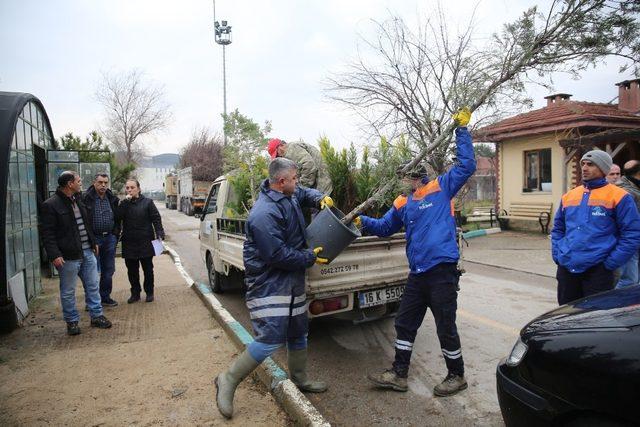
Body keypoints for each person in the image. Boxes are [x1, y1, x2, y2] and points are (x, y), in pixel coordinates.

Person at [355, 108, 476, 397]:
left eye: (405, 176)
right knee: (405, 322)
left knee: (445, 325)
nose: (402, 181)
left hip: (442, 270)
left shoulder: (440, 188)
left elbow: (466, 165)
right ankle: (398, 374)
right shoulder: (402, 202)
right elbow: (385, 228)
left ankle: (456, 376)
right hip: (418, 272)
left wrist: (461, 131)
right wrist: (362, 221)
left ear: (414, 174)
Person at [215, 157, 333, 419]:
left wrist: (318, 198)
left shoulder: (287, 194)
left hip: (290, 278)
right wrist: (309, 257)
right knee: (269, 339)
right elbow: (277, 254)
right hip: (269, 281)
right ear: (281, 182)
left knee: (298, 331)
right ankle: (228, 379)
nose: (298, 183)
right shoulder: (264, 213)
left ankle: (300, 380)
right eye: (295, 179)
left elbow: (302, 193)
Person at [551, 151, 640, 305]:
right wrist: (557, 254)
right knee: (565, 316)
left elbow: (632, 234)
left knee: (593, 318)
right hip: (567, 268)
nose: (584, 168)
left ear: (603, 168)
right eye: (583, 164)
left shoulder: (620, 196)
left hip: (598, 271)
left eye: (590, 164)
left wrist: (610, 264)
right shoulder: (569, 196)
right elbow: (558, 229)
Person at [40, 171, 112, 335]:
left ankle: (97, 316)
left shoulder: (78, 200)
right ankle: (72, 322)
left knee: (93, 285)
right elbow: (47, 234)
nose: (81, 183)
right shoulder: (51, 205)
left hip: (87, 252)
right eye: (78, 181)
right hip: (67, 257)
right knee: (68, 291)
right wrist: (54, 255)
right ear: (69, 184)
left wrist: (93, 242)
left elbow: (86, 224)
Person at [116, 178, 165, 303]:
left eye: (132, 187)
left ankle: (149, 292)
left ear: (138, 188)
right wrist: (125, 203)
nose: (129, 190)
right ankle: (135, 293)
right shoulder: (124, 204)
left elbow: (156, 218)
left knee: (148, 269)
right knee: (132, 271)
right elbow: (117, 217)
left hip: (145, 241)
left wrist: (159, 232)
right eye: (127, 188)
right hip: (129, 242)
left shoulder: (148, 202)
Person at [82, 173, 120, 307]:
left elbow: (117, 218)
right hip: (94, 240)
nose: (103, 185)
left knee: (108, 270)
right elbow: (84, 221)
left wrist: (115, 234)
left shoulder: (112, 198)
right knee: (91, 272)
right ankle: (91, 301)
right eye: (100, 182)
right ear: (94, 183)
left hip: (109, 238)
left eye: (105, 183)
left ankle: (105, 297)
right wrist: (91, 240)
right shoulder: (86, 198)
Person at [267, 138, 333, 195]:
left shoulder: (291, 150)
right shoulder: (290, 152)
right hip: (318, 184)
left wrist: (301, 188)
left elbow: (309, 165)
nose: (278, 156)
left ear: (280, 146)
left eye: (277, 154)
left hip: (321, 184)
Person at [615, 160, 640, 288]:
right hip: (629, 241)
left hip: (633, 240)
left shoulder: (634, 188)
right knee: (629, 280)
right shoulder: (627, 192)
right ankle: (617, 306)